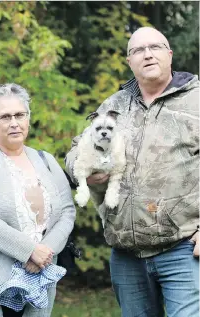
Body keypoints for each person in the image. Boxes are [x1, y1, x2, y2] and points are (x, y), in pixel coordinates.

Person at [65, 27, 199, 317]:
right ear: (129, 61)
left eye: (155, 47)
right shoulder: (115, 105)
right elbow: (77, 148)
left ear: (169, 54)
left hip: (183, 250)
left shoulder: (196, 101)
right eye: (138, 50)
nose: (147, 54)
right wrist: (83, 170)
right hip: (126, 255)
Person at [0, 83, 76, 317]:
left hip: (38, 275)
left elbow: (67, 212)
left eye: (20, 115)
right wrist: (29, 250)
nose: (14, 122)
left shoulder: (46, 160)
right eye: (4, 116)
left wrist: (44, 252)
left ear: (28, 119)